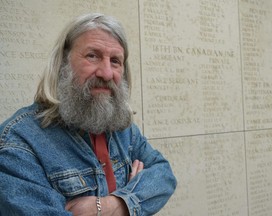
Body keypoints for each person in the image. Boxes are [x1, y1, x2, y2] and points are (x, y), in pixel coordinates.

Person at [0, 13, 177, 215]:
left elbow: (164, 175)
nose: (106, 73)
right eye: (92, 56)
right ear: (62, 64)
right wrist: (139, 194)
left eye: (116, 61)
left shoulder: (122, 129)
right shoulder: (18, 142)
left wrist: (115, 205)